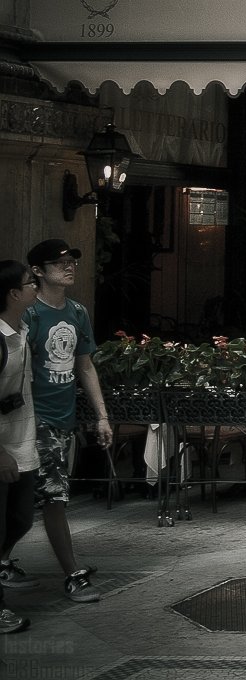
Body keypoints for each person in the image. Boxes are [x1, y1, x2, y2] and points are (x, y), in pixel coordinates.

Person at [0, 241, 108, 603]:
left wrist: (101, 415)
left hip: (64, 420)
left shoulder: (77, 312)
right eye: (59, 263)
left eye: (71, 261)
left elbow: (85, 365)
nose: (69, 267)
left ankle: (3, 560)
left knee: (30, 504)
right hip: (35, 419)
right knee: (55, 498)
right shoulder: (28, 314)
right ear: (38, 273)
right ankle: (73, 575)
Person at [0, 260, 42, 633]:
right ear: (13, 293)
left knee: (21, 519)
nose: (35, 286)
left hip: (23, 442)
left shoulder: (23, 330)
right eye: (31, 282)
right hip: (2, 449)